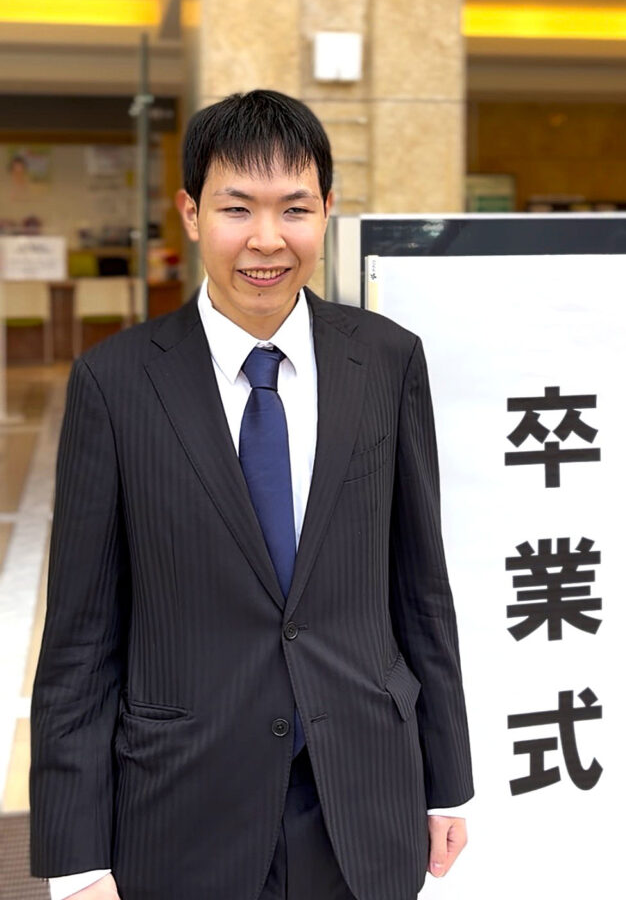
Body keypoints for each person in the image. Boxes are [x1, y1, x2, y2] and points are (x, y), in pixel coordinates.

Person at [30, 90, 473, 900]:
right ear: (192, 214)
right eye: (237, 208)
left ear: (328, 211)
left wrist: (448, 783)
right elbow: (81, 639)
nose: (267, 239)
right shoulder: (116, 383)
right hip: (184, 807)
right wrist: (77, 858)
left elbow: (420, 589)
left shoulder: (386, 361)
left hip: (362, 795)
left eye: (294, 209)